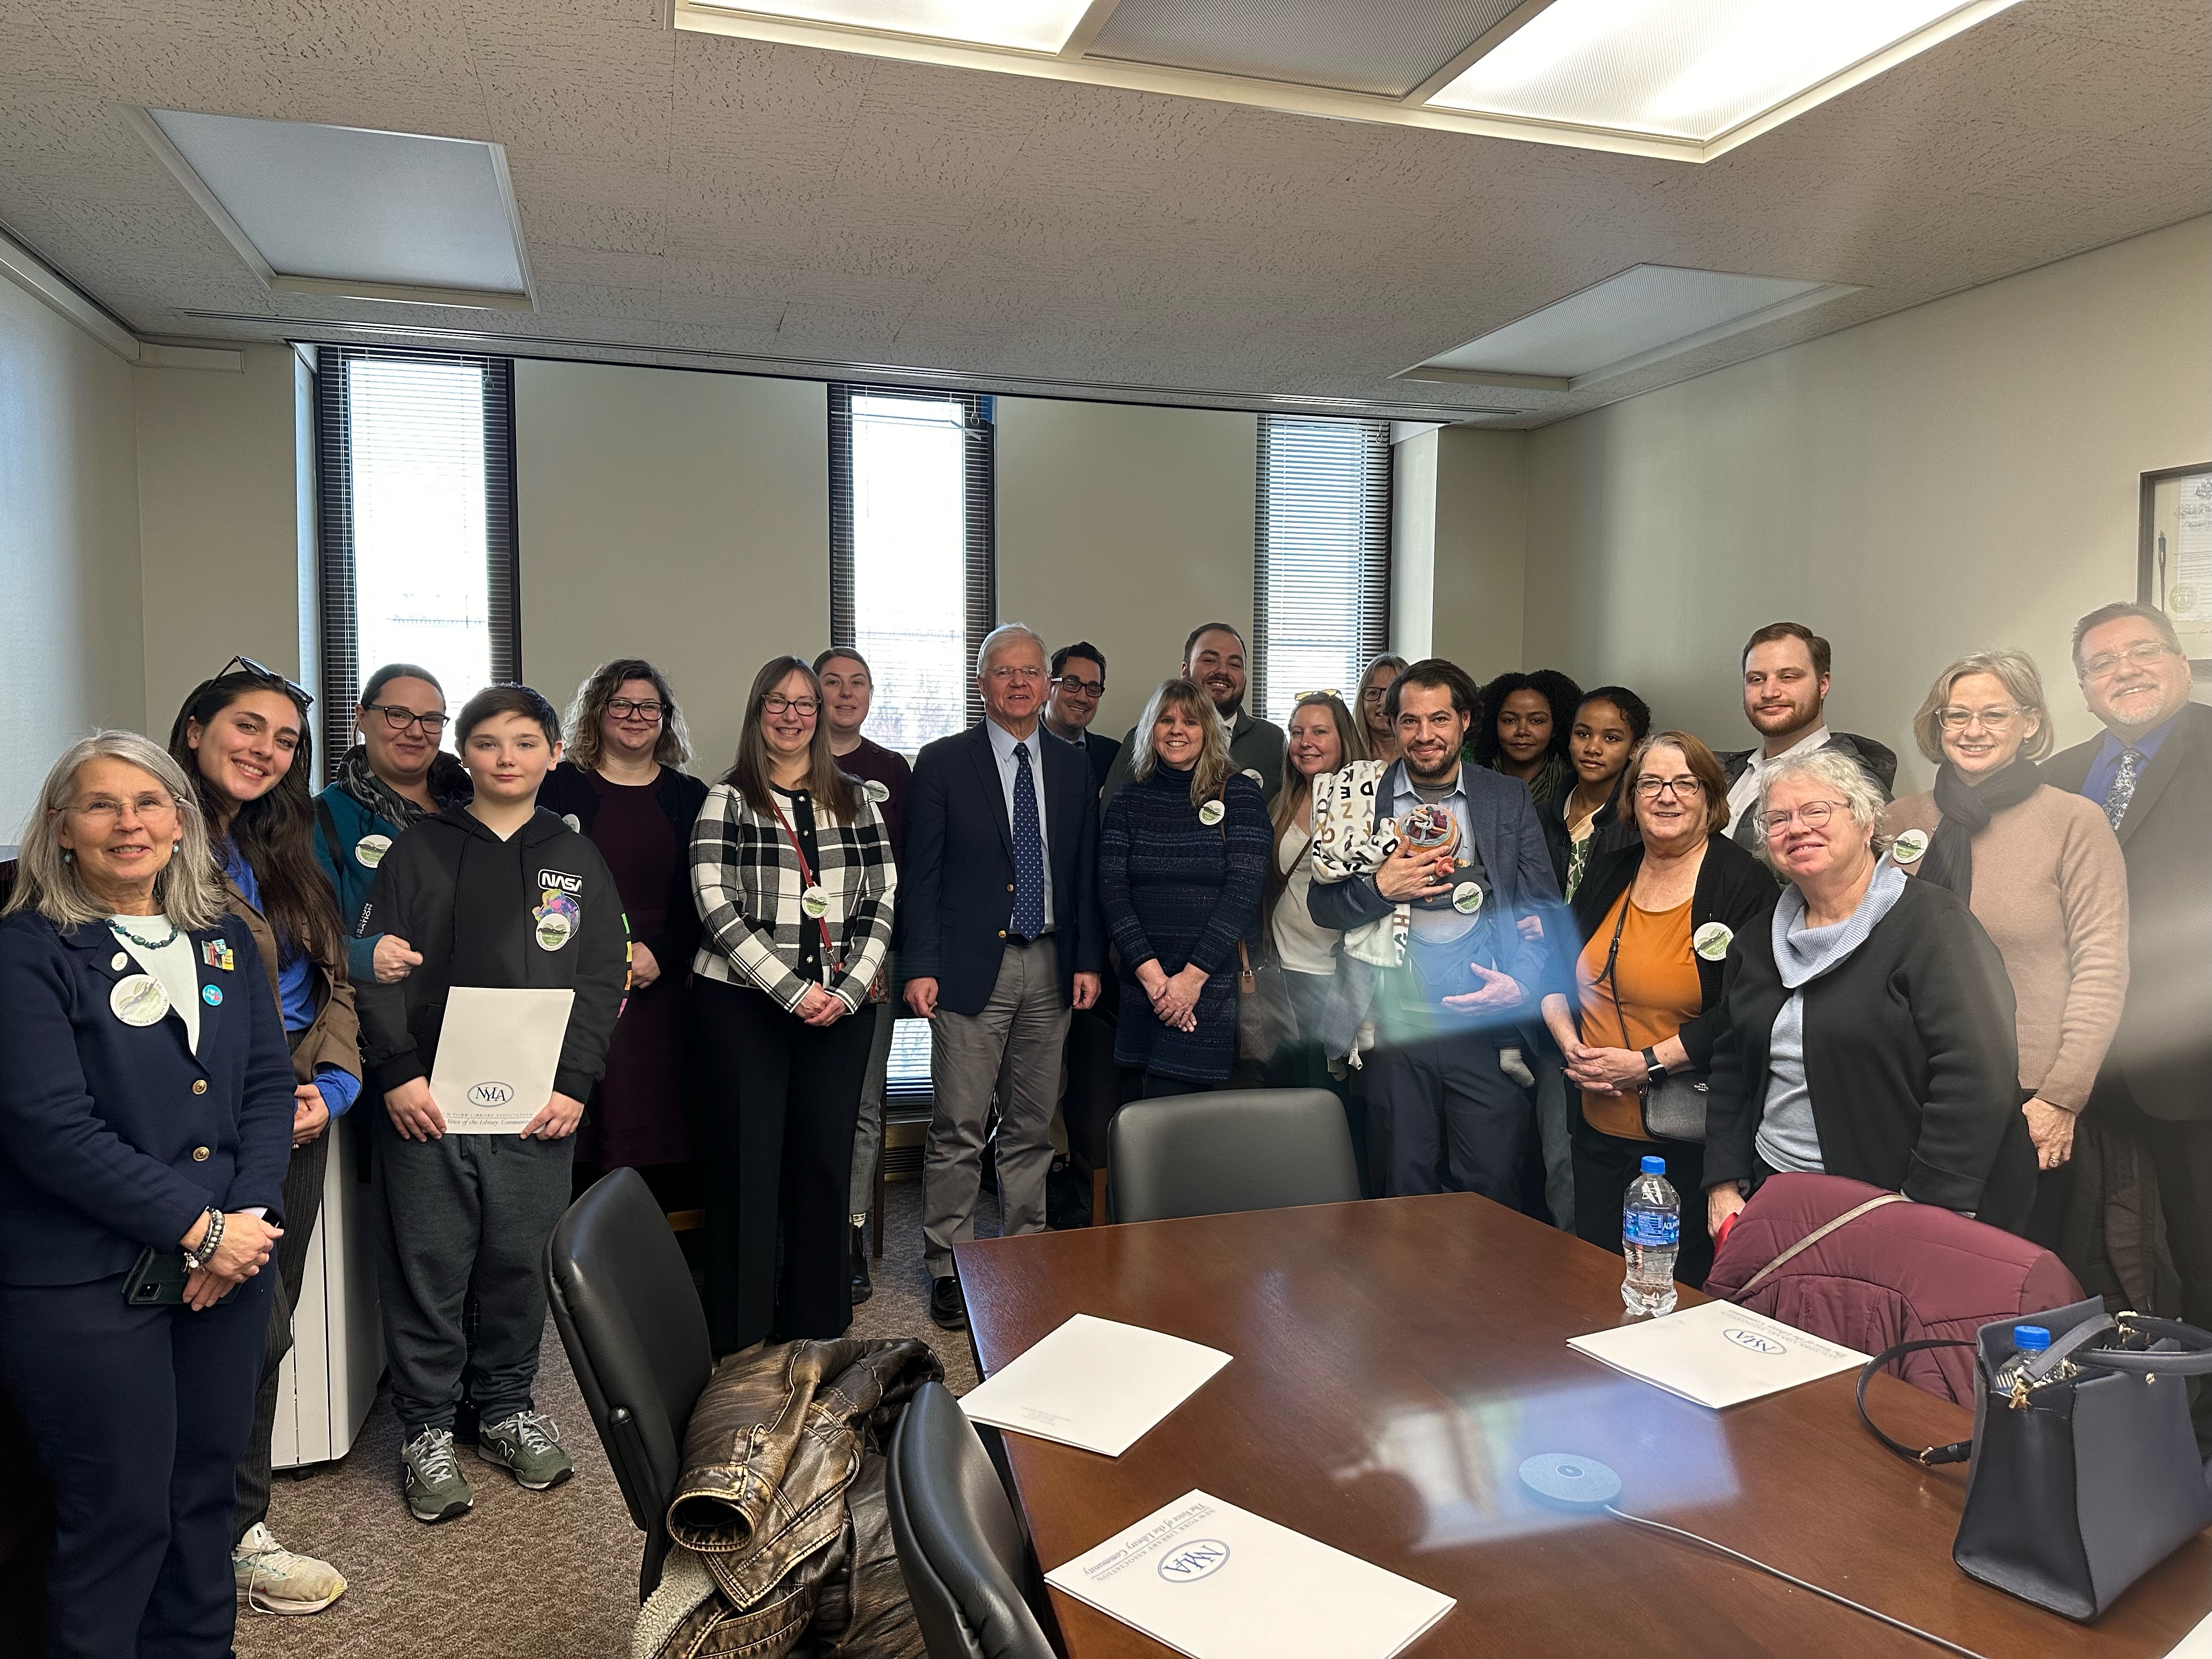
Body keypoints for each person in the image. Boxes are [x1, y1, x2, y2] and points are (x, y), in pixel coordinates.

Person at [0, 732, 292, 1659]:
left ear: (181, 823)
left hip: (221, 1273)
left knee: (202, 1500)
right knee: (118, 1513)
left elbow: (264, 1089)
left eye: (149, 802)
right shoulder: (28, 948)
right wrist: (201, 1228)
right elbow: (50, 1126)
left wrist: (244, 1225)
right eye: (101, 803)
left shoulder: (225, 938)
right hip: (84, 1279)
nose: (129, 821)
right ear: (62, 827)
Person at [353, 685, 630, 1523]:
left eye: (524, 741)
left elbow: (597, 976)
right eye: (485, 742)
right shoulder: (415, 851)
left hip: (535, 1108)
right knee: (430, 1266)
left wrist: (574, 1084)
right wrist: (396, 1072)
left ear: (553, 753)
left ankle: (505, 1407)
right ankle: (428, 1428)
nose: (505, 757)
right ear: (462, 756)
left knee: (518, 1263)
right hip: (427, 1104)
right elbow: (373, 970)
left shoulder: (576, 859)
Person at [167, 661, 359, 1616]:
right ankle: (185, 1533)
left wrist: (338, 1081)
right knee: (220, 1323)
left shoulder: (283, 842)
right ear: (195, 726)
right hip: (209, 1118)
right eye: (248, 727)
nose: (267, 751)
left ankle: (238, 1527)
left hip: (301, 1106)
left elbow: (334, 980)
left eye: (285, 739)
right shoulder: (151, 840)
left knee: (263, 1331)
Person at [1703, 748, 2031, 1244]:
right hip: (1775, 1193)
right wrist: (1724, 1182)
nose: (1797, 828)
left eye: (1817, 811)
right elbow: (1731, 1063)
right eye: (1778, 818)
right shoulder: (1756, 940)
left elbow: (1977, 1077)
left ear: (1865, 822)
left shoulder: (1935, 927)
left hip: (1894, 1205)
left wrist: (1925, 1209)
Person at [1887, 650, 2128, 1252]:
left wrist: (2061, 1097)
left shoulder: (2075, 822)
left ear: (2030, 723)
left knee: (2001, 1272)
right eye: (1956, 715)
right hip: (1904, 1082)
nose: (1973, 731)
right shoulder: (1898, 821)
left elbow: (2102, 967)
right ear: (1936, 725)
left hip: (2022, 1097)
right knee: (1901, 1259)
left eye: (1994, 715)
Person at [691, 657, 896, 1356]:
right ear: (758, 713)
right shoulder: (728, 798)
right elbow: (715, 904)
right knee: (747, 1168)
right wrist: (792, 990)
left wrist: (843, 991)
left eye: (805, 703)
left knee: (823, 1164)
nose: (792, 714)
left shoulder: (859, 798)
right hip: (743, 1007)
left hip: (840, 1011)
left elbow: (881, 897)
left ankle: (817, 1324)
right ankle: (743, 1334)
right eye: (777, 702)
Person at [905, 624, 1102, 1331]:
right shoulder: (942, 762)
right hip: (967, 968)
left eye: (1030, 672)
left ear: (1047, 684)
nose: (1018, 684)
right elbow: (922, 876)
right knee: (958, 1124)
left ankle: (1022, 1254)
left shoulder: (1076, 767)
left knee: (1030, 1126)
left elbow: (1082, 874)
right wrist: (920, 965)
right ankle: (948, 1264)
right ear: (982, 684)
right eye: (1003, 673)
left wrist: (1086, 959)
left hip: (1052, 963)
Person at [1307, 659, 1562, 1201]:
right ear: (1391, 724)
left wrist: (1519, 985)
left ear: (1465, 721)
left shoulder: (1505, 799)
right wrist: (1381, 889)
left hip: (1486, 1030)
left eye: (1440, 719)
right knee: (1402, 1189)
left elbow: (1543, 909)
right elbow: (1323, 906)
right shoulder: (1359, 796)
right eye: (1410, 721)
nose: (1425, 736)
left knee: (1492, 1189)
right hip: (1394, 1029)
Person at [1542, 732, 1777, 1290]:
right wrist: (1569, 1045)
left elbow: (1746, 1008)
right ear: (1632, 797)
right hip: (1596, 1123)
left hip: (1688, 1139)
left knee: (1670, 1294)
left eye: (1684, 784)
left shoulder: (1742, 882)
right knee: (1595, 1282)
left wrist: (1645, 1064)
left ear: (1710, 797)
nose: (1666, 797)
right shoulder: (1610, 869)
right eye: (1651, 783)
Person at [2043, 602, 2212, 1339]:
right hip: (2083, 1070)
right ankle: (2132, 1404)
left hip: (2194, 1065)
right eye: (2102, 664)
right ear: (2083, 688)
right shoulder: (2059, 776)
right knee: (2101, 1258)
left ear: (2180, 662)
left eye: (2143, 652)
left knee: (2203, 1256)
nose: (2125, 671)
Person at [540, 659, 709, 1208]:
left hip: (663, 992)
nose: (636, 717)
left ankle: (656, 1273)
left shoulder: (691, 797)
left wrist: (663, 953)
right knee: (580, 1138)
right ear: (597, 712)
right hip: (577, 985)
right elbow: (541, 885)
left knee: (663, 1138)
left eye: (649, 707)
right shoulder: (558, 787)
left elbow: (706, 895)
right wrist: (591, 956)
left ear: (665, 719)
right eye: (621, 704)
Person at [1101, 678, 1271, 1098]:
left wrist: (1188, 983)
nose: (1177, 730)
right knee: (1137, 1124)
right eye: (1166, 720)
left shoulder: (1241, 796)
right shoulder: (1127, 801)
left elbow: (1243, 893)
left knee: (1189, 1130)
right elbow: (1112, 890)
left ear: (1208, 731)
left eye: (1191, 722)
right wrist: (1157, 981)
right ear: (1150, 729)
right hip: (1143, 989)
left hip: (1211, 992)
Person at [811, 646, 912, 1305]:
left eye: (858, 684)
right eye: (831, 683)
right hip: (792, 966)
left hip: (874, 958)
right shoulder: (781, 759)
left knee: (863, 1105)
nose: (845, 694)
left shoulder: (891, 770)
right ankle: (804, 1231)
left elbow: (909, 870)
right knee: (802, 1102)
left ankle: (848, 1234)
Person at [1265, 691, 1367, 1189]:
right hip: (1283, 970)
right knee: (1288, 1099)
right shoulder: (1283, 800)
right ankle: (1293, 1201)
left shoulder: (1367, 801)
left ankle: (1337, 1206)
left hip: (1338, 973)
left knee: (1331, 1100)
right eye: (1297, 732)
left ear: (1343, 738)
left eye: (1319, 732)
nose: (1305, 743)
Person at [313, 663, 471, 985]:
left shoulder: (473, 810)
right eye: (397, 714)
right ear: (361, 718)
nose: (415, 732)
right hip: (379, 1017)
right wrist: (359, 957)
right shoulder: (321, 819)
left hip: (473, 1005)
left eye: (430, 720)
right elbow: (299, 936)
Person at [1717, 623, 1897, 849]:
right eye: (1757, 679)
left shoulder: (1854, 787)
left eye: (1788, 677)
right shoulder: (1727, 774)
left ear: (1823, 685)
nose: (1769, 692)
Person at [1098, 623, 1288, 807]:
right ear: (1185, 670)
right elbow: (1112, 814)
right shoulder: (1146, 737)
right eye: (1209, 660)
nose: (1223, 671)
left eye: (1234, 664)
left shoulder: (1271, 740)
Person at [1547, 686, 1651, 901]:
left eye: (1611, 738)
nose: (1593, 748)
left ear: (1636, 749)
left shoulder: (1641, 823)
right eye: (1583, 734)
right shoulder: (1540, 815)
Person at [1474, 668, 1582, 813]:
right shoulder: (1471, 781)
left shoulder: (1575, 786)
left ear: (1555, 727)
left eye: (1536, 721)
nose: (1522, 731)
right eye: (1510, 720)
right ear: (1493, 723)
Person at [1043, 641, 1120, 797]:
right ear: (1047, 687)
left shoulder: (1112, 757)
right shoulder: (1022, 749)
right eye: (1071, 684)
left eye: (1093, 689)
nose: (1082, 698)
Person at [1355, 654, 1409, 767]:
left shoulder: (1424, 757)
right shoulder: (1347, 757)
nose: (1383, 702)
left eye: (1391, 693)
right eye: (1373, 693)